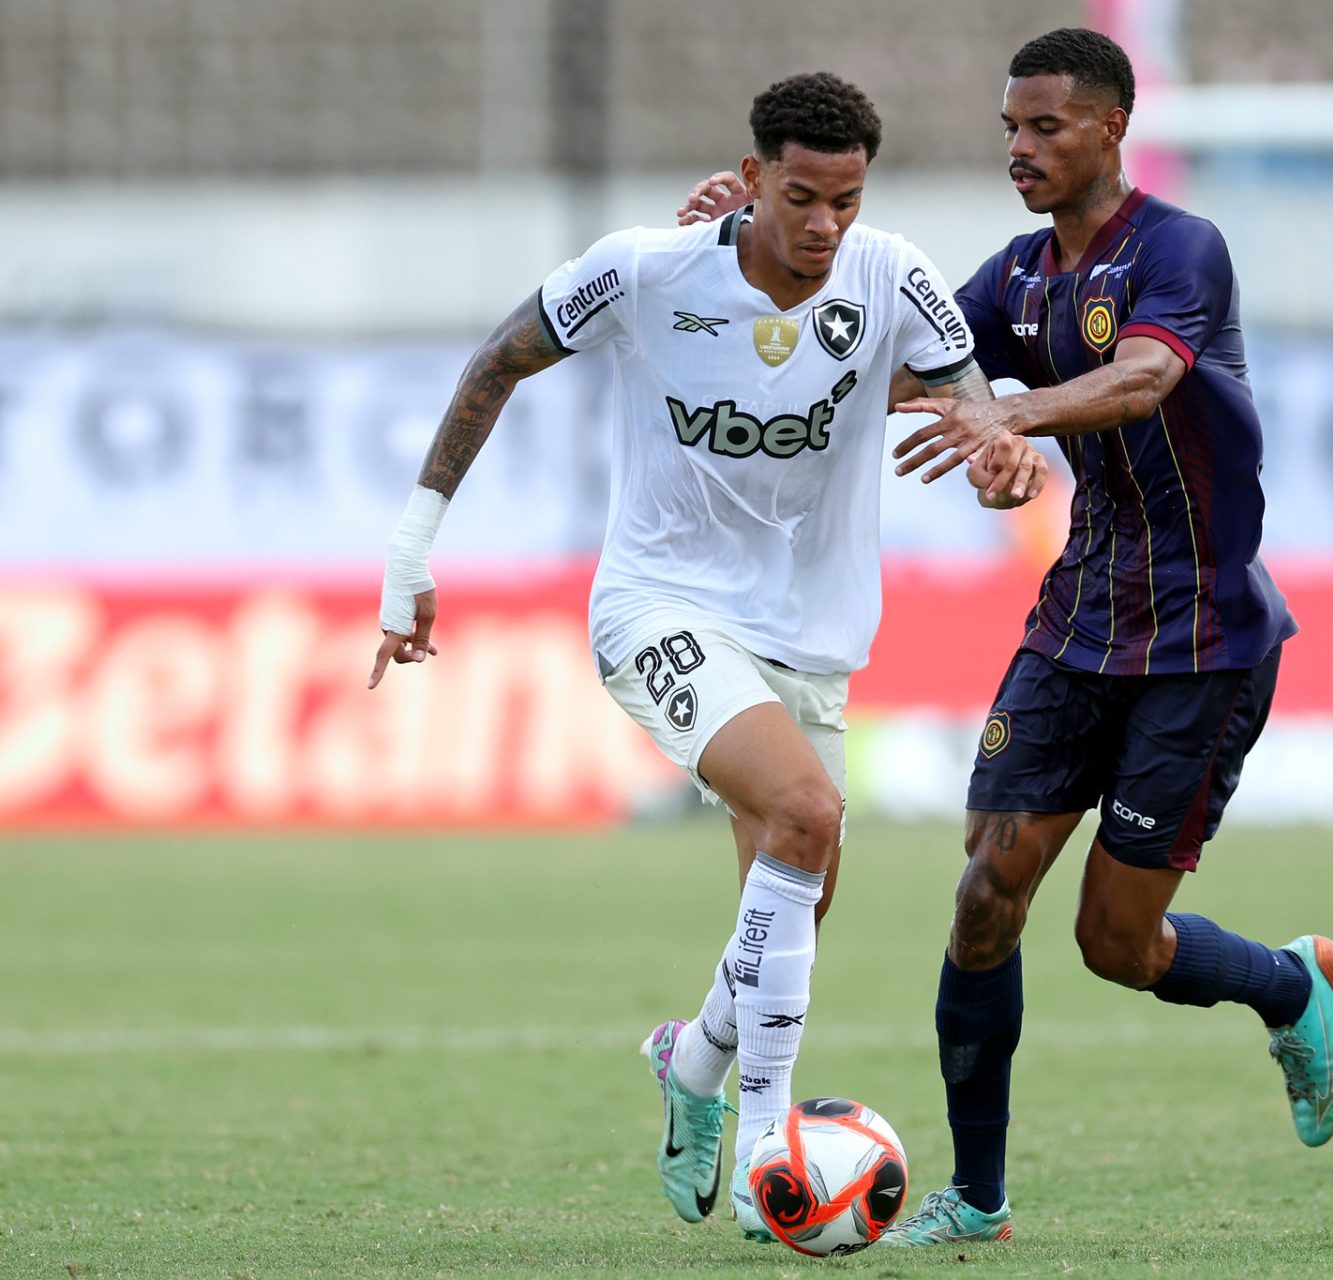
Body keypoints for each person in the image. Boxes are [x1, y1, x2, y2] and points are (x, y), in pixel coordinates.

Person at [680, 27, 1333, 1248]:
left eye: (1044, 128)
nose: (1020, 149)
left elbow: (1145, 375)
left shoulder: (1178, 248)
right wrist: (740, 243)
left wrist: (1013, 413)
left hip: (1204, 637)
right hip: (1078, 619)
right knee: (985, 896)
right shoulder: (1016, 278)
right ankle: (979, 1196)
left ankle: (1287, 983)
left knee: (1115, 941)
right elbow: (876, 355)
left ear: (1109, 129)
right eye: (1008, 129)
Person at [370, 72, 1047, 1243]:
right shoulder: (649, 267)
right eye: (800, 197)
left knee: (792, 897)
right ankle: (769, 1144)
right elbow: (497, 360)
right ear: (748, 183)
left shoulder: (893, 273)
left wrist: (999, 456)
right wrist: (410, 552)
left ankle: (690, 1061)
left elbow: (967, 399)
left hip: (812, 632)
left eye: (845, 198)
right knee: (806, 808)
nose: (825, 223)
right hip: (659, 606)